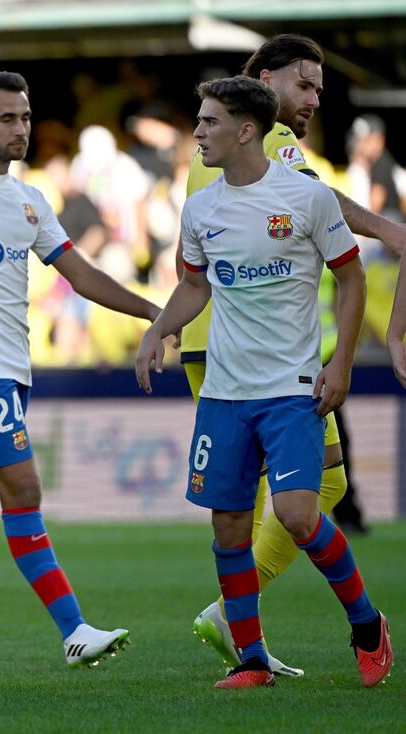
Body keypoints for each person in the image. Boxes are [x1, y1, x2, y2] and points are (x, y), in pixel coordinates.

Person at [137, 76, 392, 689]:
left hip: (293, 387)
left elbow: (352, 279)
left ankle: (366, 624)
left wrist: (343, 364)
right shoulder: (200, 208)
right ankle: (251, 660)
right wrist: (158, 330)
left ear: (246, 130)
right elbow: (195, 285)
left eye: (209, 122)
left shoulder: (307, 198)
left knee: (300, 515)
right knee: (228, 527)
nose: (197, 132)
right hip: (224, 393)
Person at [0, 71, 158, 669]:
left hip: (10, 364)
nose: (20, 128)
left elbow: (81, 274)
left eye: (25, 117)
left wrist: (156, 310)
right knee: (23, 488)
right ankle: (74, 630)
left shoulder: (30, 200)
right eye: (7, 118)